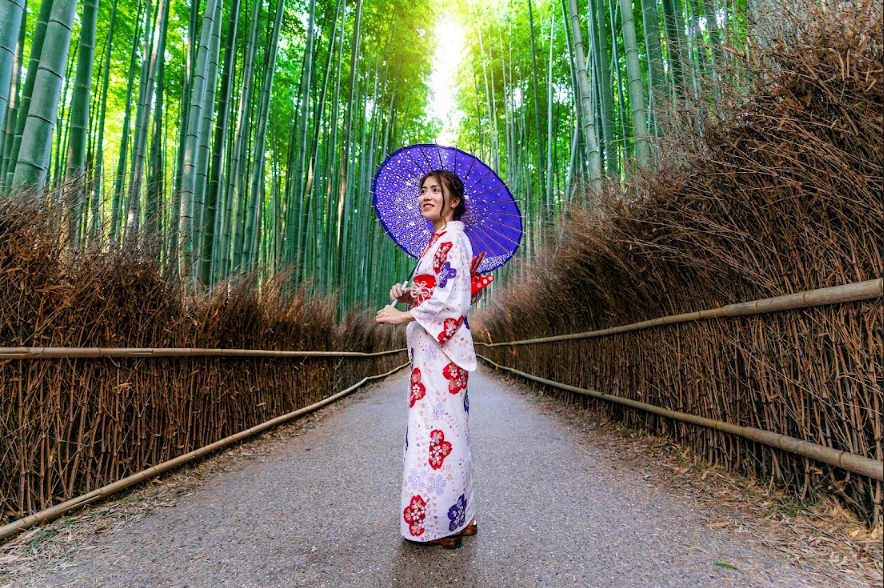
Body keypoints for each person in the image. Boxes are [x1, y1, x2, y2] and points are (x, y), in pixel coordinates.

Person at [375, 169, 478, 549]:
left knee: (433, 436)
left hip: (440, 354)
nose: (426, 196)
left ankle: (437, 525)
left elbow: (453, 299)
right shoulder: (438, 243)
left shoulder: (453, 241)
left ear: (454, 201)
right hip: (432, 354)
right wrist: (407, 295)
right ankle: (461, 516)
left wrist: (403, 315)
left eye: (436, 190)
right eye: (423, 190)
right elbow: (432, 292)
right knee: (449, 435)